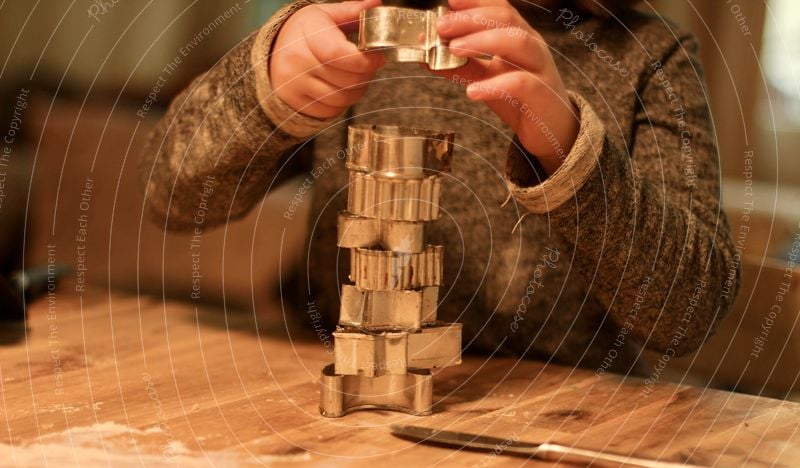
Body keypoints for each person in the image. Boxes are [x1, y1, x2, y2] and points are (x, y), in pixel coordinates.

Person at [140, 0, 740, 375]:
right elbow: (173, 196)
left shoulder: (649, 54)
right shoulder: (349, 20)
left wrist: (569, 149)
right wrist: (266, 88)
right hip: (331, 388)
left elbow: (688, 313)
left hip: (560, 419)